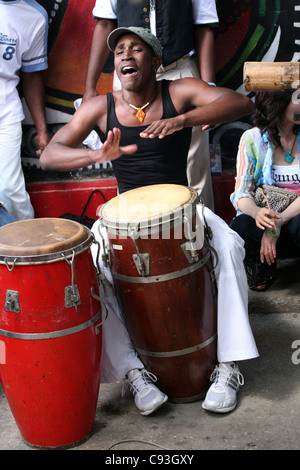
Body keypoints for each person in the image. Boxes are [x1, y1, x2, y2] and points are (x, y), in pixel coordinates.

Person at [40, 27, 258, 415]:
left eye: (136, 49)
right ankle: (134, 374)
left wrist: (183, 120)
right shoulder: (99, 107)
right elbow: (50, 156)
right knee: (88, 270)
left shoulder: (178, 91)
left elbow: (240, 104)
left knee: (228, 245)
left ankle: (228, 365)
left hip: (182, 207)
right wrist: (93, 157)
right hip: (124, 217)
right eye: (120, 50)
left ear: (156, 63)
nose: (126, 55)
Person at [83, 0, 219, 211]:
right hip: (130, 77)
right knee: (130, 158)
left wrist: (208, 87)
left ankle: (202, 230)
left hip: (180, 71)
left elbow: (204, 25)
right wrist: (89, 86)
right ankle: (132, 230)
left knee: (193, 162)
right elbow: (104, 24)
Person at [230, 89, 300, 292]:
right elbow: (241, 194)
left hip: (293, 221)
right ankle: (263, 265)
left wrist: (277, 223)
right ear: (278, 103)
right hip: (269, 220)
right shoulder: (253, 139)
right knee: (241, 225)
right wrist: (257, 213)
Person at [0, 0, 49, 221]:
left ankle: (29, 251)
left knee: (11, 191)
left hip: (5, 113)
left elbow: (32, 75)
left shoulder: (35, 16)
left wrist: (42, 129)